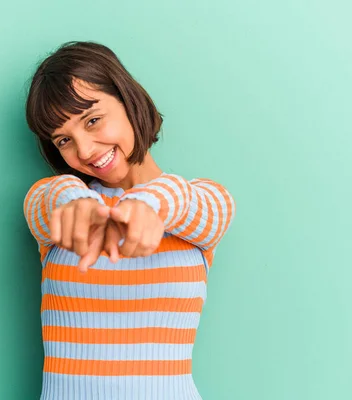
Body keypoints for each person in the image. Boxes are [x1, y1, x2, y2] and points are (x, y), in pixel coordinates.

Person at [23, 41, 236, 400]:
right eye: (64, 140)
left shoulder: (199, 202)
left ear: (128, 99)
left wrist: (148, 202)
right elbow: (47, 200)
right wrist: (75, 200)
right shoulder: (55, 203)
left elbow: (194, 202)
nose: (86, 151)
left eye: (93, 120)